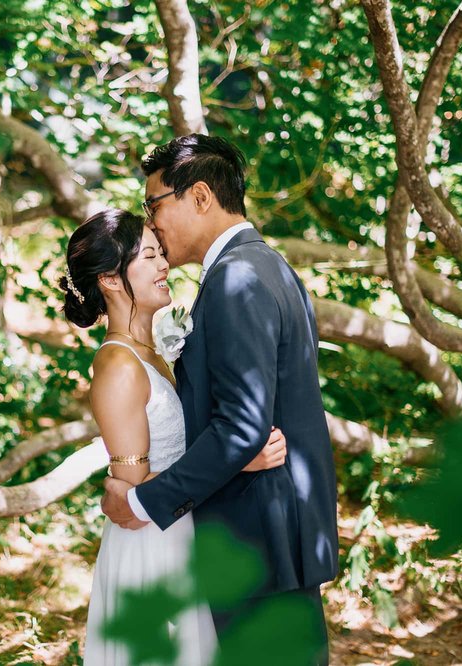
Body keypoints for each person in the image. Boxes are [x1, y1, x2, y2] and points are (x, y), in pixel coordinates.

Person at [100, 134, 340, 662]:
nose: (153, 222)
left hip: (256, 539)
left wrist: (142, 501)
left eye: (154, 205)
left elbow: (241, 426)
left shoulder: (237, 280)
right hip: (273, 535)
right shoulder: (268, 267)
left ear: (201, 197)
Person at [61, 209, 288, 665]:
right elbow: (130, 495)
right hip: (151, 543)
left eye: (161, 252)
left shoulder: (156, 350)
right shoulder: (117, 365)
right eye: (149, 255)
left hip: (183, 527)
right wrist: (236, 460)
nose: (164, 264)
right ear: (109, 279)